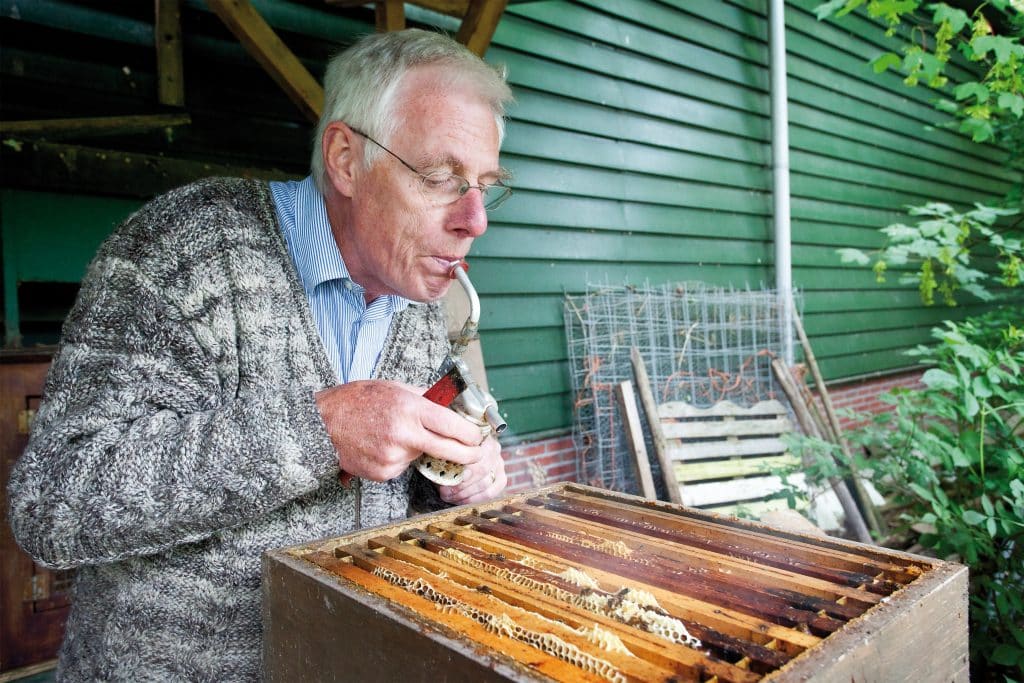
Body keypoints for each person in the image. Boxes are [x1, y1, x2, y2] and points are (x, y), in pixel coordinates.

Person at [7, 28, 513, 681]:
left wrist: (458, 477)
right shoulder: (183, 249)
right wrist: (317, 431)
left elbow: (394, 492)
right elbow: (53, 504)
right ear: (346, 158)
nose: (476, 221)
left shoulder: (425, 297)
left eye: (486, 185)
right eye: (442, 177)